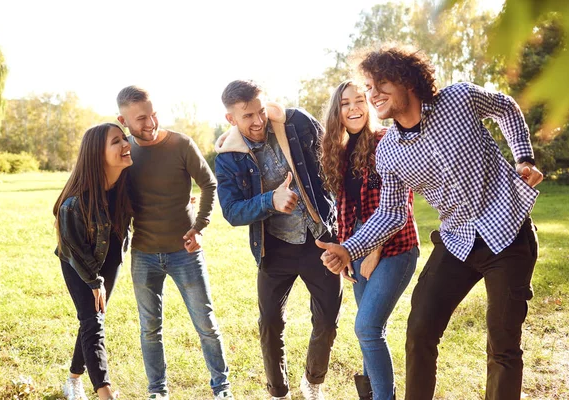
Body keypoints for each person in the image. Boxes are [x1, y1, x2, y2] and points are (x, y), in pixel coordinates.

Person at [316, 46, 542, 400]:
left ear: (407, 79)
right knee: (420, 329)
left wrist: (524, 157)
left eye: (380, 83)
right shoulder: (390, 150)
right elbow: (391, 214)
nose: (372, 94)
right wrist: (347, 249)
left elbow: (507, 108)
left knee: (502, 344)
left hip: (508, 233)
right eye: (368, 87)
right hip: (458, 241)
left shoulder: (460, 99)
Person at [214, 80, 342, 400]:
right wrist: (271, 200)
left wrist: (338, 215)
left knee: (327, 319)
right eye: (247, 117)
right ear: (231, 119)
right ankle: (278, 391)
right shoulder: (229, 156)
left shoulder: (296, 122)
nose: (258, 121)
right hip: (274, 246)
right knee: (270, 322)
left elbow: (334, 160)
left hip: (319, 238)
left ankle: (313, 381)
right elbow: (231, 211)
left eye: (260, 111)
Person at [116, 86, 233, 400]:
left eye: (153, 113)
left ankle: (221, 388)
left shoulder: (181, 144)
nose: (151, 121)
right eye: (141, 118)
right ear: (122, 120)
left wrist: (200, 226)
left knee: (205, 323)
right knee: (149, 328)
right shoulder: (124, 150)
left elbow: (209, 183)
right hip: (143, 253)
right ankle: (157, 391)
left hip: (185, 251)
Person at [320, 80, 419, 400]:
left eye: (359, 100)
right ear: (338, 112)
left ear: (369, 104)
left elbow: (401, 203)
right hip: (357, 246)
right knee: (371, 331)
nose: (353, 108)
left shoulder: (386, 140)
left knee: (366, 328)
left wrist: (373, 251)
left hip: (395, 247)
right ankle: (371, 393)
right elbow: (346, 210)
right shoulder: (340, 152)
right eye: (346, 103)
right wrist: (346, 253)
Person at [54, 123, 133, 400]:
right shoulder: (74, 204)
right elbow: (73, 249)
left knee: (93, 319)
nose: (126, 144)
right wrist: (93, 281)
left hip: (111, 257)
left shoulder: (125, 182)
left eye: (125, 138)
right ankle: (104, 392)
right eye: (116, 142)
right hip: (77, 260)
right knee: (93, 321)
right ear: (97, 155)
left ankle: (73, 377)